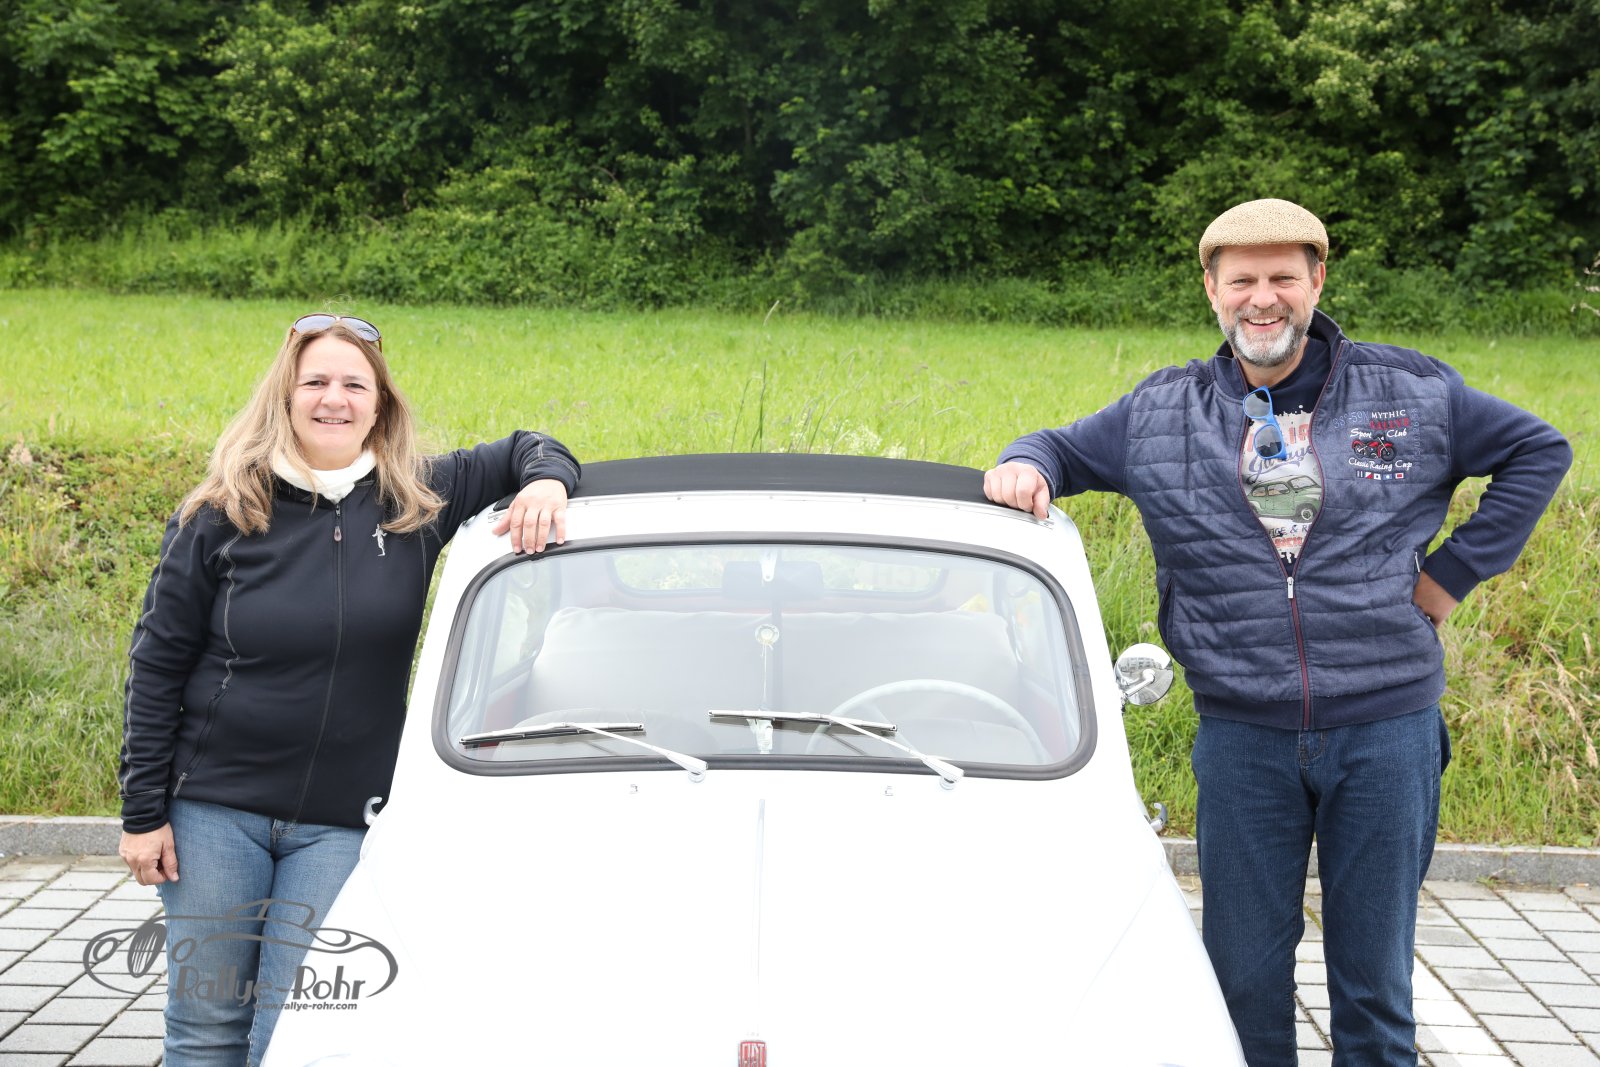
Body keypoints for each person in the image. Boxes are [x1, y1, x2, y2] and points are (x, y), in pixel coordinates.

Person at [983, 199, 1571, 1065]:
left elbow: (1540, 449)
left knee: (1373, 989)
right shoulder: (1160, 413)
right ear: (1212, 290)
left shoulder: (1409, 393)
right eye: (1243, 280)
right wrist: (1025, 463)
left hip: (1386, 730)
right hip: (1242, 738)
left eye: (1283, 277)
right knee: (1242, 986)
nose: (1264, 298)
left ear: (1317, 281)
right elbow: (1055, 450)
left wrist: (1450, 577)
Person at [116, 313, 581, 1067]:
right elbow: (156, 664)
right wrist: (143, 815)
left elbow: (534, 445)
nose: (334, 398)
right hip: (213, 814)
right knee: (205, 1029)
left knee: (297, 1034)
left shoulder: (418, 497)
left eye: (354, 384)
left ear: (380, 404)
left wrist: (548, 482)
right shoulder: (219, 513)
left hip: (341, 825)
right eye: (316, 382)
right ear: (285, 396)